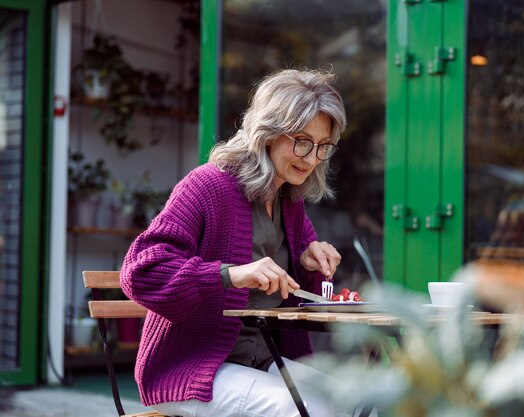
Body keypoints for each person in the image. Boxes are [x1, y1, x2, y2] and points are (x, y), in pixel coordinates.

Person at [120, 69, 366, 417]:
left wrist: (309, 263)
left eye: (322, 147)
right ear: (267, 133)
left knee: (356, 402)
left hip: (263, 361)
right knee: (304, 410)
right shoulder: (207, 186)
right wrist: (229, 274)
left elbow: (298, 299)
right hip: (193, 369)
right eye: (301, 141)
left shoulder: (290, 203)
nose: (311, 159)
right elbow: (140, 272)